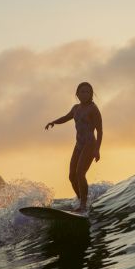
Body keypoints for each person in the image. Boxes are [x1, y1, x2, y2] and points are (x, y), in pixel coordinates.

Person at [45, 82, 102, 213]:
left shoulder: (93, 109)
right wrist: (53, 122)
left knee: (80, 174)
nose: (85, 94)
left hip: (89, 144)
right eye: (82, 91)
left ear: (91, 94)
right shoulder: (76, 108)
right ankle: (81, 199)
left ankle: (83, 204)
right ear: (77, 94)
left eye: (88, 92)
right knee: (71, 176)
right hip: (79, 145)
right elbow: (66, 117)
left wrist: (97, 149)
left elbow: (100, 131)